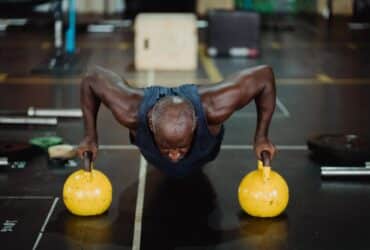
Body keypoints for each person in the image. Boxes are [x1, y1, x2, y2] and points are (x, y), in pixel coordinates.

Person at [77, 65, 276, 177]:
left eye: (181, 148)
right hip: (154, 157)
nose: (173, 155)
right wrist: (90, 137)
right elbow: (91, 77)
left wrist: (261, 137)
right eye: (166, 148)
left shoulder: (214, 108)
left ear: (196, 123)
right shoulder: (131, 111)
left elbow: (264, 75)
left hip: (204, 156)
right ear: (151, 124)